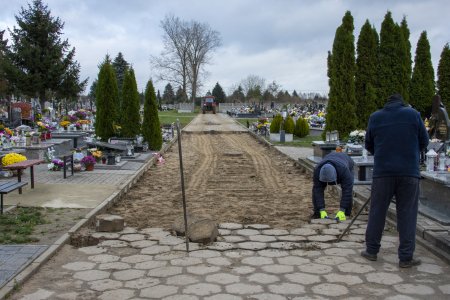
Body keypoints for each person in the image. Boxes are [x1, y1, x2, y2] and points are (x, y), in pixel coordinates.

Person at [361, 93, 429, 268]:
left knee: (377, 211)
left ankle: (371, 250)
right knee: (407, 214)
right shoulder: (413, 114)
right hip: (408, 172)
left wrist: (383, 153)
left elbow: (368, 144)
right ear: (402, 103)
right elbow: (424, 141)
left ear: (386, 104)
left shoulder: (375, 117)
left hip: (383, 172)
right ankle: (406, 257)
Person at [312, 152, 354, 221]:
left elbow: (347, 191)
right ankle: (318, 213)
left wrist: (342, 210)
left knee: (348, 189)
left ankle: (346, 213)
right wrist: (321, 209)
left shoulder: (344, 171)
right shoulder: (317, 170)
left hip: (346, 161)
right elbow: (317, 191)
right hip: (331, 158)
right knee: (316, 189)